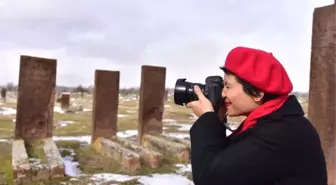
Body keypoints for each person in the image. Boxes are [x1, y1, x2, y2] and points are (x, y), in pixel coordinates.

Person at [186, 46, 328, 185]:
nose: (223, 94)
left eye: (228, 86)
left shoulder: (282, 133)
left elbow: (210, 179)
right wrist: (217, 119)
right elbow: (225, 162)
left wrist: (207, 119)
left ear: (258, 94)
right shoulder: (274, 121)